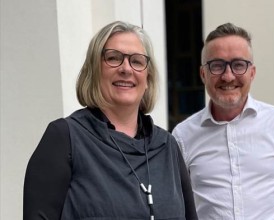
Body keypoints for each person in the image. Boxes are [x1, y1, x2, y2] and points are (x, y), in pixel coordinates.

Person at [24, 21, 197, 220]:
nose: (126, 69)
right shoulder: (64, 139)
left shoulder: (167, 146)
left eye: (137, 61)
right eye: (113, 58)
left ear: (148, 79)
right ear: (94, 70)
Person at [172, 23, 274, 219]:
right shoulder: (183, 135)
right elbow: (180, 205)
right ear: (203, 74)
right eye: (217, 65)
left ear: (252, 72)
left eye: (238, 65)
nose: (228, 76)